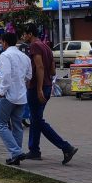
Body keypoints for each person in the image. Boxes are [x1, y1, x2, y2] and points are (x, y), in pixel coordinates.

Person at [20, 23, 78, 164]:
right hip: (46, 85)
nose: (23, 37)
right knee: (35, 119)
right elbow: (52, 70)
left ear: (30, 34)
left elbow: (39, 67)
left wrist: (39, 88)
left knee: (38, 120)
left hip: (37, 88)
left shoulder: (34, 46)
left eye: (24, 34)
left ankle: (66, 147)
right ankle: (34, 149)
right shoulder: (46, 46)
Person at [0, 32, 31, 165]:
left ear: (4, 42)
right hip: (21, 95)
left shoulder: (5, 55)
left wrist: (1, 92)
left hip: (8, 95)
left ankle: (16, 152)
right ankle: (16, 155)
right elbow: (29, 76)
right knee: (17, 125)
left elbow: (6, 76)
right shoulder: (24, 56)